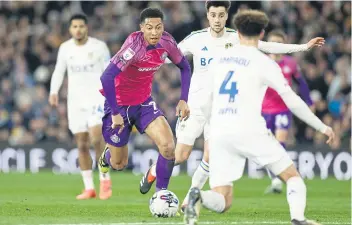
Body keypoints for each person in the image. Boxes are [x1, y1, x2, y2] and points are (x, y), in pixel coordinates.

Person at [139, 1, 326, 207]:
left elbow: (266, 46)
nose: (217, 19)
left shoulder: (236, 38)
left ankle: (189, 200)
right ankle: (153, 171)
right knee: (181, 155)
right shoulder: (196, 39)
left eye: (221, 15)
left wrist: (303, 46)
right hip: (195, 106)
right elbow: (169, 57)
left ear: (226, 15)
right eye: (213, 15)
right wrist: (144, 57)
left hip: (219, 110)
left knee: (210, 157)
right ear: (207, 16)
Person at [183, 9, 335, 225]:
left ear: (237, 32)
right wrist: (321, 127)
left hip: (220, 131)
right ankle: (299, 218)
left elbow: (207, 100)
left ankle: (197, 195)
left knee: (223, 200)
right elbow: (291, 100)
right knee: (292, 177)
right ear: (262, 34)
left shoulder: (221, 61)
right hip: (249, 129)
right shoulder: (265, 63)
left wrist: (212, 125)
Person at [98, 8, 191, 194]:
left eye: (158, 27)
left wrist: (183, 99)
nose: (155, 32)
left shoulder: (167, 42)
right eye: (149, 28)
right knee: (119, 164)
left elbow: (185, 67)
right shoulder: (133, 47)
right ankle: (106, 157)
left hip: (143, 103)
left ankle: (161, 195)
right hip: (119, 105)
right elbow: (106, 77)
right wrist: (115, 113)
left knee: (168, 146)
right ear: (142, 28)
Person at [49, 14, 112, 200]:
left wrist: (112, 96)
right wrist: (53, 92)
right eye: (74, 26)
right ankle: (89, 187)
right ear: (70, 29)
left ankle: (105, 179)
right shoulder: (65, 48)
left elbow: (109, 71)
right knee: (82, 144)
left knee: (96, 138)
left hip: (96, 99)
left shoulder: (99, 47)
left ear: (87, 28)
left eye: (81, 26)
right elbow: (59, 71)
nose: (78, 29)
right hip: (75, 102)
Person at [262, 29, 314, 194]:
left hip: (283, 109)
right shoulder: (261, 63)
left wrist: (309, 102)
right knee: (268, 146)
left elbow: (302, 84)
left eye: (279, 43)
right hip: (263, 110)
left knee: (280, 143)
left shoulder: (290, 63)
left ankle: (278, 179)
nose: (276, 46)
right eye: (273, 43)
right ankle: (276, 178)